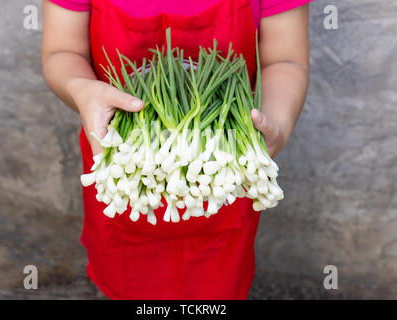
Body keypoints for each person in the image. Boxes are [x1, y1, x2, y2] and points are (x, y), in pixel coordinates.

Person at [42, 0, 311, 299]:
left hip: (224, 178)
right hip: (126, 171)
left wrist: (274, 128)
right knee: (127, 277)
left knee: (214, 285)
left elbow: (285, 60)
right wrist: (81, 89)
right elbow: (62, 52)